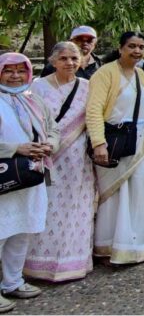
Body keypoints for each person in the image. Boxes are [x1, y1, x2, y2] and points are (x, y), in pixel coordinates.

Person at [86, 32, 144, 264]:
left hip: (143, 143)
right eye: (132, 46)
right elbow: (93, 110)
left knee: (142, 192)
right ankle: (113, 245)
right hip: (116, 142)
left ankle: (142, 243)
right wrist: (99, 143)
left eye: (141, 47)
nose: (137, 51)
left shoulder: (140, 73)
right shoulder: (105, 73)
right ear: (121, 48)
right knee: (117, 196)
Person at [25, 43, 94, 282]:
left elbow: (94, 118)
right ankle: (37, 264)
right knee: (46, 206)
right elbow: (30, 119)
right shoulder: (37, 87)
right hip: (46, 155)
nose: (70, 63)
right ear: (53, 61)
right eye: (63, 58)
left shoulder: (87, 87)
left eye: (74, 58)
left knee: (76, 207)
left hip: (77, 158)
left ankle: (72, 263)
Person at [0, 53, 58, 309]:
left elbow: (53, 127)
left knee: (22, 229)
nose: (15, 76)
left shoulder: (33, 99)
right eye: (8, 71)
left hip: (31, 174)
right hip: (5, 175)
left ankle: (12, 282)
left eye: (20, 71)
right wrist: (17, 148)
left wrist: (50, 144)